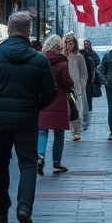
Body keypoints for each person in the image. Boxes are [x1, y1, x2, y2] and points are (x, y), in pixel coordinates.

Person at [0, 11, 57, 223]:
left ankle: (1, 212)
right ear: (29, 31)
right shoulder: (39, 59)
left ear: (9, 30)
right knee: (28, 164)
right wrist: (34, 106)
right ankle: (24, 208)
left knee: (0, 164)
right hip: (27, 120)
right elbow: (51, 92)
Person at [37, 34, 74, 175]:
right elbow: (66, 82)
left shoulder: (39, 60)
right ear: (59, 47)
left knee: (42, 131)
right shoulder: (62, 62)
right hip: (58, 101)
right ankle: (56, 164)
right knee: (59, 134)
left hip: (42, 100)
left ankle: (40, 156)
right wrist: (71, 85)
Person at [63, 33, 89, 139]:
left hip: (76, 87)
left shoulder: (79, 57)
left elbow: (84, 74)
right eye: (66, 43)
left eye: (70, 43)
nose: (68, 46)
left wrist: (82, 86)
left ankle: (77, 130)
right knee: (67, 109)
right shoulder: (62, 57)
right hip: (65, 86)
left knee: (77, 109)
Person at [81, 39, 101, 113]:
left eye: (87, 44)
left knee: (89, 93)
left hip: (90, 76)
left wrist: (92, 63)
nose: (86, 45)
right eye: (85, 44)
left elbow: (98, 61)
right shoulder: (81, 53)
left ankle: (89, 108)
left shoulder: (93, 53)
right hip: (83, 74)